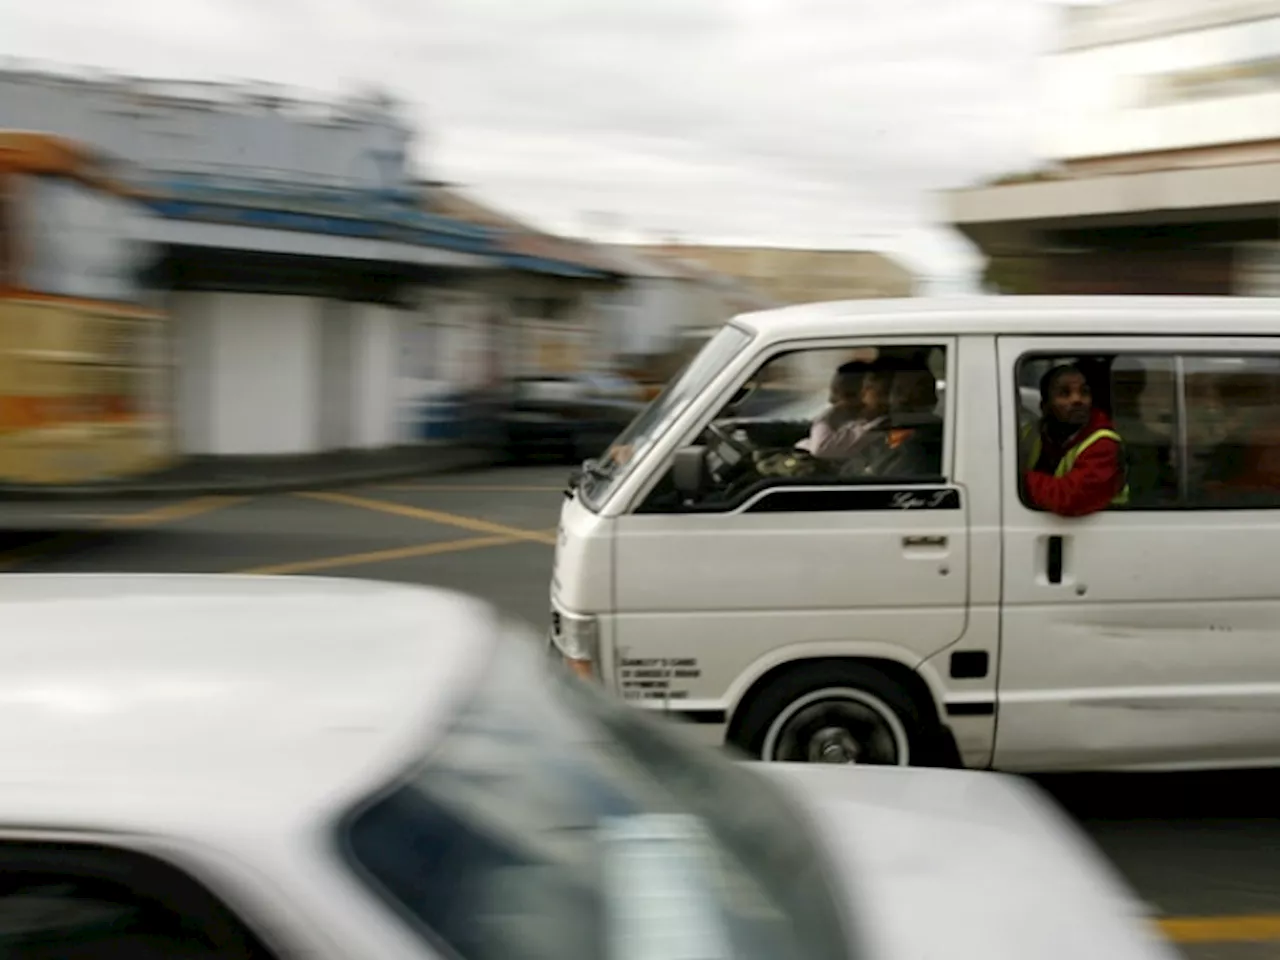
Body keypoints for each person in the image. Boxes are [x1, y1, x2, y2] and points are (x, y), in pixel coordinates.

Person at [1022, 364, 1128, 517]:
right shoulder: (1030, 434)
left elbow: (1071, 497)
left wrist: (1017, 479)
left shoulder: (1103, 443)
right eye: (1064, 393)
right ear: (1044, 406)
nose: (1077, 399)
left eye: (1084, 392)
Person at [796, 361, 884, 459]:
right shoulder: (856, 423)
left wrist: (830, 413)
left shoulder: (876, 428)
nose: (831, 400)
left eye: (839, 393)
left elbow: (821, 449)